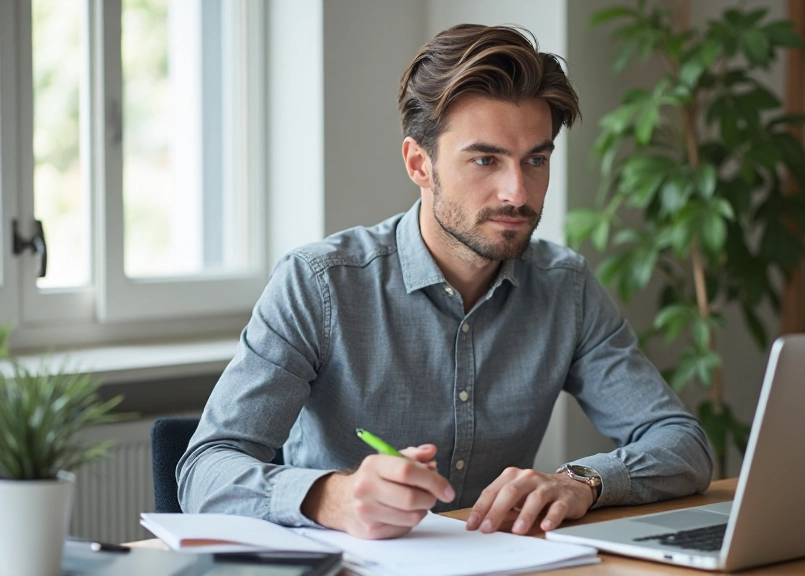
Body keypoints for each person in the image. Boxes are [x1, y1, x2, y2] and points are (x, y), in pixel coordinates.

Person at [178, 23, 712, 541]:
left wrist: (582, 482)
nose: (517, 192)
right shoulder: (318, 284)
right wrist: (332, 497)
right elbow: (204, 471)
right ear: (419, 163)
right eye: (485, 159)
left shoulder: (564, 287)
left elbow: (683, 444)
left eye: (536, 160)